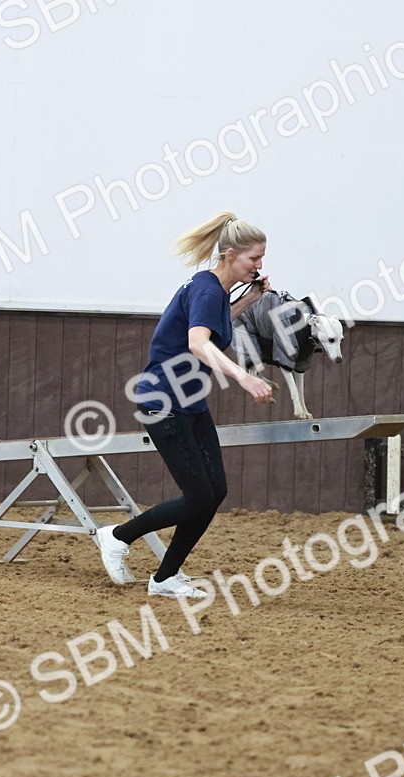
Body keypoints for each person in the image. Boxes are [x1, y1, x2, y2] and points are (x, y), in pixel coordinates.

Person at [96, 211, 275, 599]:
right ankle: (117, 535)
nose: (259, 266)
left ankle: (165, 578)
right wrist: (243, 377)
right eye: (253, 259)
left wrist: (251, 299)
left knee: (214, 492)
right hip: (163, 401)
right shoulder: (208, 288)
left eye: (261, 259)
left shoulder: (213, 289)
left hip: (188, 401)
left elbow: (214, 324)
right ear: (229, 254)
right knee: (199, 496)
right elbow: (198, 342)